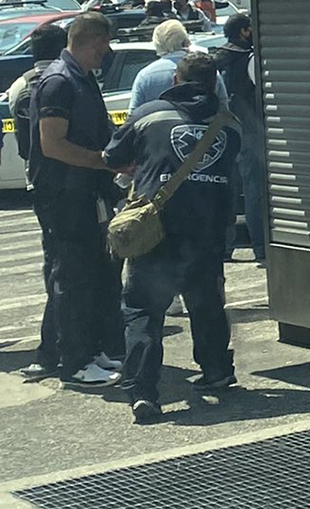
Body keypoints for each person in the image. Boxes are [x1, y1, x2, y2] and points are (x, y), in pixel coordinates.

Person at [104, 52, 242, 424]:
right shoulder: (230, 125)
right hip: (208, 230)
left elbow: (112, 156)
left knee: (143, 310)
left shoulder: (148, 114)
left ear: (176, 82)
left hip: (156, 230)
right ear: (214, 84)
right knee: (206, 303)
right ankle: (216, 371)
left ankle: (143, 391)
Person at [33, 12, 125, 388]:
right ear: (90, 41)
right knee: (72, 279)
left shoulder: (84, 78)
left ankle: (89, 350)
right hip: (64, 196)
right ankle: (73, 363)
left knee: (94, 275)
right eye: (104, 45)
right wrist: (100, 160)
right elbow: (51, 144)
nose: (108, 52)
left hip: (88, 193)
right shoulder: (59, 81)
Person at [9, 24, 70, 380]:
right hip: (67, 182)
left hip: (38, 180)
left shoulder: (22, 83)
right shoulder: (64, 79)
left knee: (54, 262)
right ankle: (60, 344)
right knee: (66, 266)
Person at [215, 13, 266, 265]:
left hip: (224, 132)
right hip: (250, 132)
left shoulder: (217, 59)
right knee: (254, 189)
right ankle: (260, 247)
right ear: (244, 32)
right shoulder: (249, 58)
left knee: (228, 190)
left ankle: (225, 248)